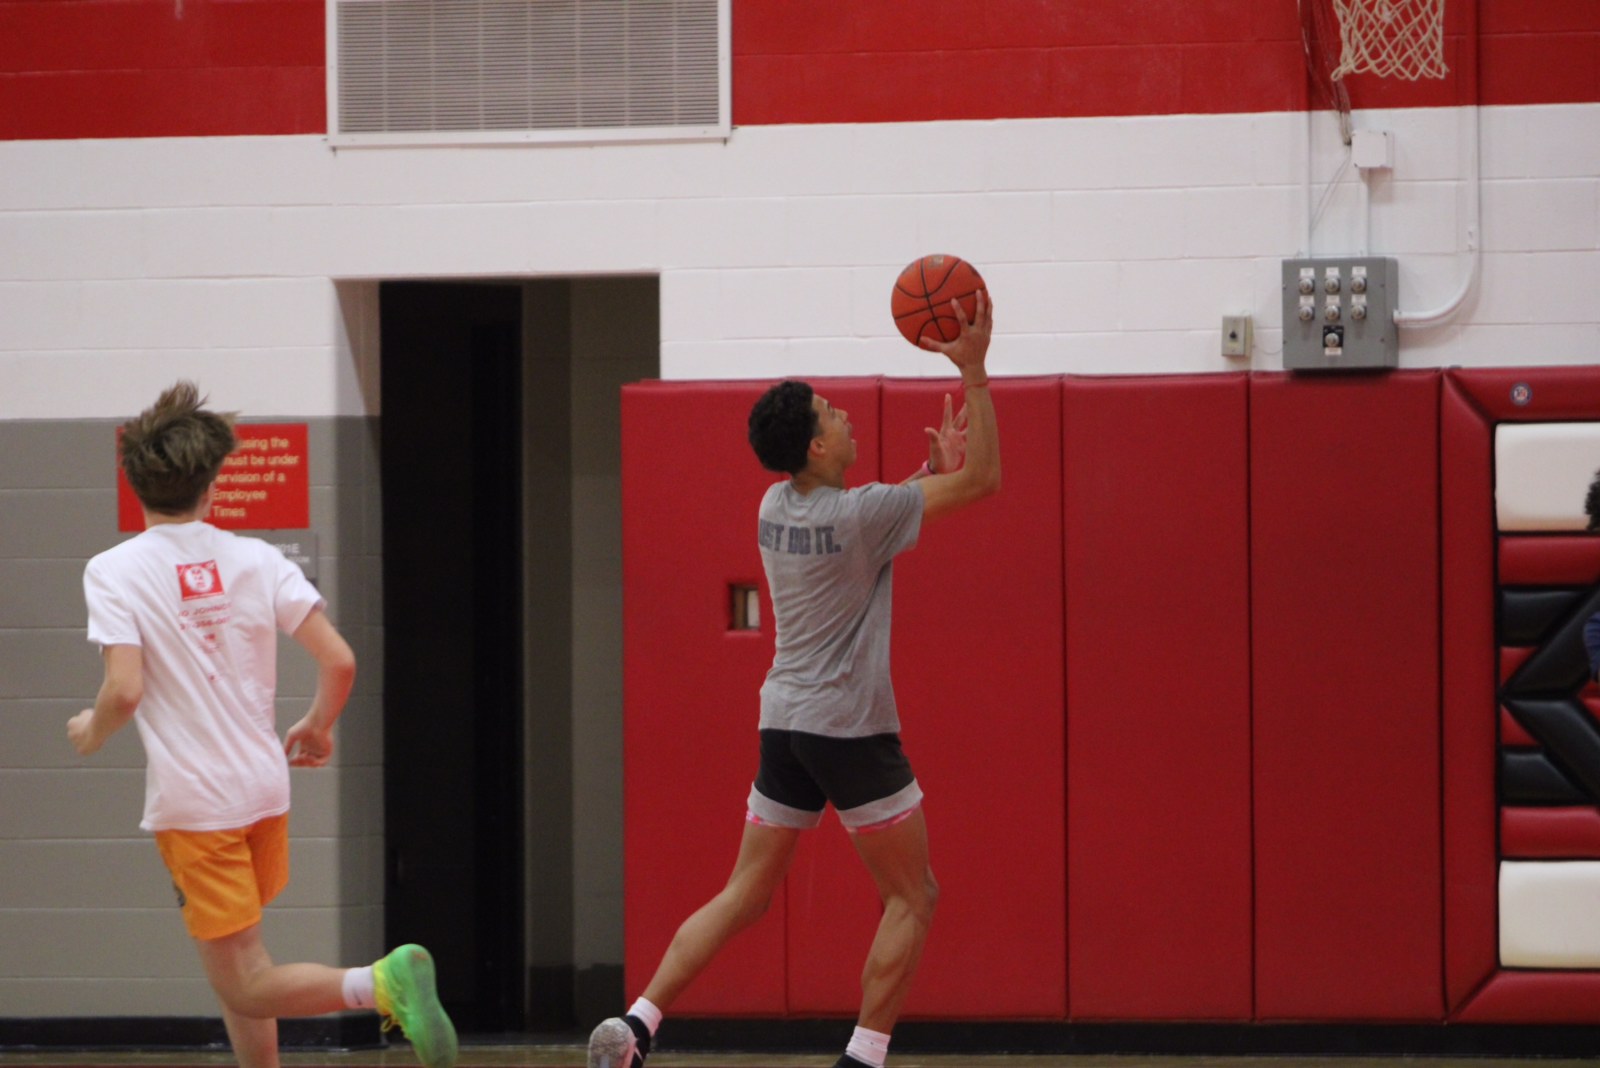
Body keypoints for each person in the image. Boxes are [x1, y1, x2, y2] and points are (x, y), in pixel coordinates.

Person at [589, 293, 999, 1068]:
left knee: (746, 892)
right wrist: (974, 374)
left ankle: (638, 1024)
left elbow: (870, 526)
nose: (845, 417)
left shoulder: (773, 503)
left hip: (784, 723)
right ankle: (863, 1058)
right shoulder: (859, 515)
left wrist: (921, 474)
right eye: (832, 413)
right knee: (915, 897)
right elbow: (983, 482)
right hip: (851, 727)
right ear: (815, 447)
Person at [69, 382, 457, 1068]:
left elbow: (123, 691)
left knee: (244, 983)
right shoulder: (256, 557)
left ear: (133, 486)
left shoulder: (112, 570)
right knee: (243, 960)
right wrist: (318, 724)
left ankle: (381, 983)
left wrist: (90, 731)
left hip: (197, 804)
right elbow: (339, 659)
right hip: (263, 791)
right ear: (212, 485)